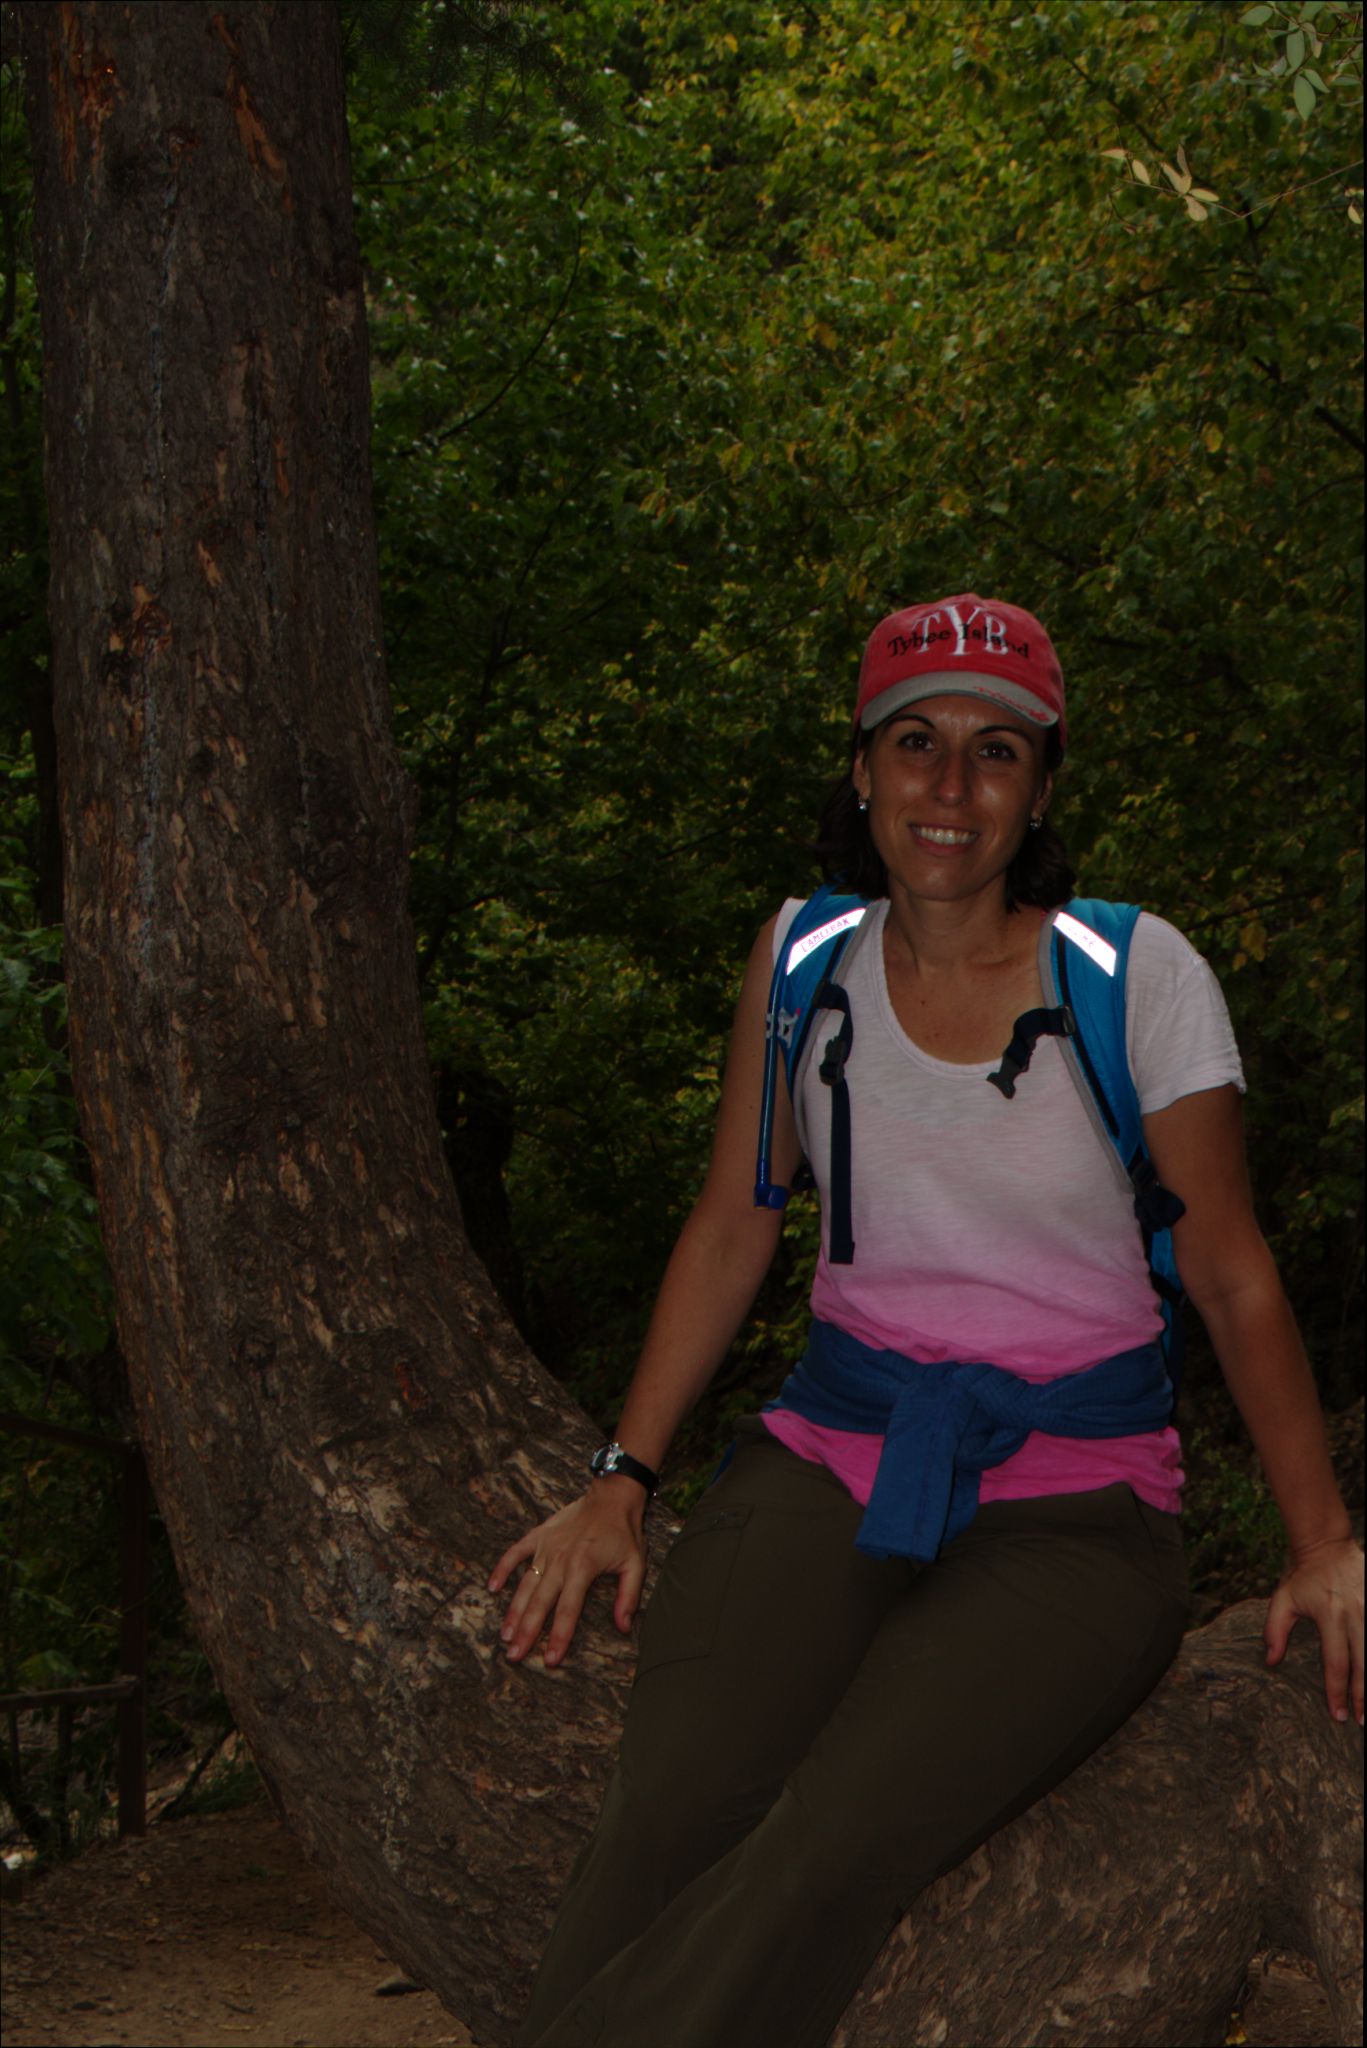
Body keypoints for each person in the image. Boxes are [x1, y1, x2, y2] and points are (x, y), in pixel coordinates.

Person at [489, 594, 1364, 2048]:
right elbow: (735, 1221)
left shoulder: (1136, 981)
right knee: (671, 1803)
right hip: (833, 1450)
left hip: (1081, 1507)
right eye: (915, 744)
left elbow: (1230, 1275)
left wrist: (1325, 1546)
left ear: (1041, 785)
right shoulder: (801, 960)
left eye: (994, 753)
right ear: (861, 769)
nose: (949, 790)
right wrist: (619, 1484)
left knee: (834, 1839)